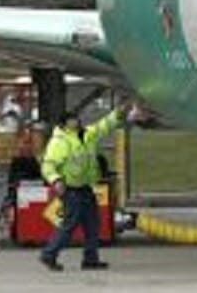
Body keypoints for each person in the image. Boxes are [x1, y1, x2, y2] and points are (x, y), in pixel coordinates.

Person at [38, 104, 132, 272]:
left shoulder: (87, 134)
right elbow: (48, 166)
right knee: (69, 225)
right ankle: (49, 254)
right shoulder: (60, 142)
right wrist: (56, 180)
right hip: (71, 189)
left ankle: (90, 259)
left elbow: (104, 126)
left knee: (92, 224)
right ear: (64, 124)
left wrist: (118, 112)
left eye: (76, 118)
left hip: (85, 187)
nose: (77, 121)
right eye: (72, 120)